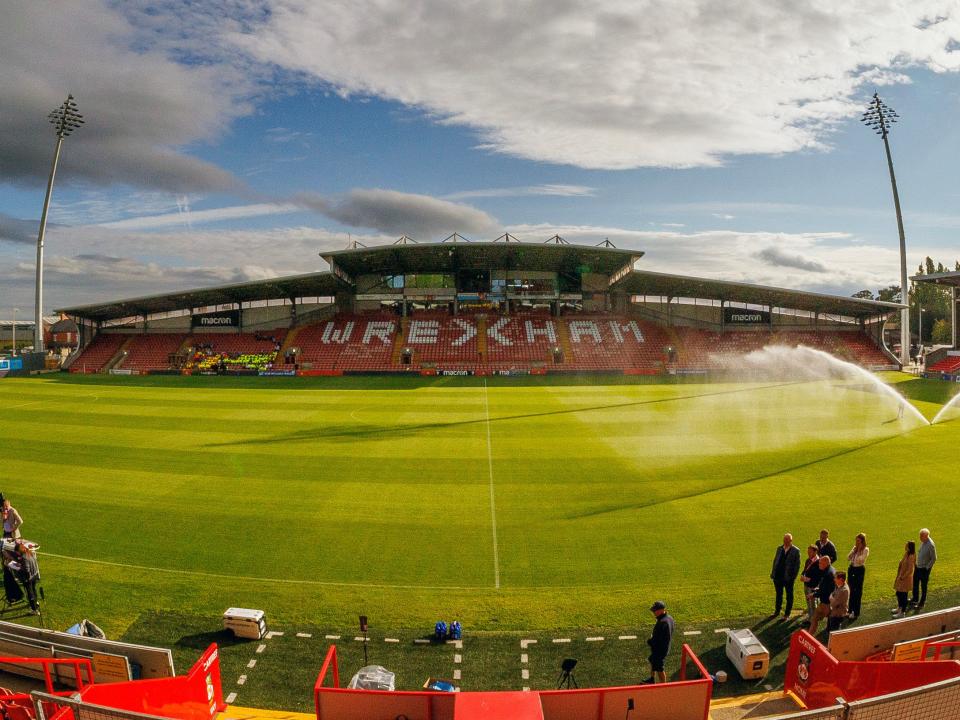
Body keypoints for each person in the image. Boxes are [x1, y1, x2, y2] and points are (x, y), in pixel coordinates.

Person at [770, 533, 801, 619]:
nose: (785, 542)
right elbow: (775, 561)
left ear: (791, 541)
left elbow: (797, 566)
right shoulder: (779, 548)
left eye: (787, 540)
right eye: (784, 540)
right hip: (778, 576)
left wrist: (792, 578)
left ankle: (787, 614)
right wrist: (773, 573)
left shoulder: (796, 551)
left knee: (789, 596)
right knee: (778, 595)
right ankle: (777, 611)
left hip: (788, 578)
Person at [643, 600, 674, 684]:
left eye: (655, 610)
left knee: (660, 668)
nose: (653, 612)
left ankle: (664, 686)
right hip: (661, 648)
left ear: (661, 610)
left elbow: (658, 640)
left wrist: (650, 641)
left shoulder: (663, 622)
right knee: (653, 661)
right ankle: (652, 679)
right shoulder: (669, 618)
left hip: (660, 650)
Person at [809, 556, 836, 635]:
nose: (819, 564)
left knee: (815, 618)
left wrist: (813, 594)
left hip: (826, 603)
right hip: (830, 601)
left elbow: (825, 591)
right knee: (830, 620)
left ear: (826, 563)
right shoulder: (831, 570)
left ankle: (809, 637)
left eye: (820, 563)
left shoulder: (828, 574)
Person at [911, 528, 937, 610]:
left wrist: (927, 568)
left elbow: (934, 558)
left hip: (924, 569)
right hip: (918, 567)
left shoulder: (931, 545)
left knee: (923, 586)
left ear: (926, 536)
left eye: (921, 536)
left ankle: (921, 603)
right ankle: (915, 599)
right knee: (915, 583)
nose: (920, 538)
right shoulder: (923, 542)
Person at [846, 533, 869, 620]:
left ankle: (856, 612)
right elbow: (848, 558)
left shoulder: (865, 549)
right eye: (856, 540)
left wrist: (859, 551)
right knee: (850, 589)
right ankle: (850, 610)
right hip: (851, 568)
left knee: (857, 591)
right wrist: (854, 551)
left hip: (859, 570)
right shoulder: (854, 548)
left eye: (858, 541)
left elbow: (861, 560)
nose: (856, 542)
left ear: (862, 541)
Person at [893, 541, 916, 617]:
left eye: (906, 545)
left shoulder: (911, 556)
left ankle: (902, 612)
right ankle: (899, 608)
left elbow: (910, 570)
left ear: (909, 547)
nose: (905, 546)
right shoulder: (907, 553)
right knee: (899, 593)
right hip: (901, 577)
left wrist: (903, 577)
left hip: (905, 579)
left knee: (903, 595)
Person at [800, 545, 822, 622]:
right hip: (806, 584)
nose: (808, 553)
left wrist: (805, 579)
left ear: (815, 552)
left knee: (813, 604)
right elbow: (805, 570)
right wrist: (802, 575)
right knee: (808, 602)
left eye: (810, 552)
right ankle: (811, 617)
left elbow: (817, 577)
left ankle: (814, 619)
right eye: (808, 551)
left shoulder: (819, 562)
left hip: (813, 586)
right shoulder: (808, 560)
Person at [827, 571, 850, 637]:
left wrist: (831, 598)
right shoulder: (840, 585)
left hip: (838, 614)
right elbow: (833, 594)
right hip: (834, 612)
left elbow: (834, 603)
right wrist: (832, 597)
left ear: (841, 579)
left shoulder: (843, 590)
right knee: (830, 630)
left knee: (834, 633)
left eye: (835, 578)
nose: (834, 579)